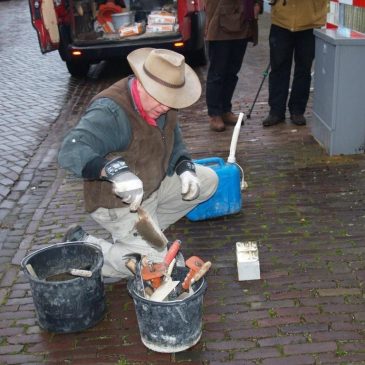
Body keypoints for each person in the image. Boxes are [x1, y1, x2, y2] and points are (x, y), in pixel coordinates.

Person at [58, 48, 218, 280]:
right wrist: (115, 172)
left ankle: (141, 239)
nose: (165, 107)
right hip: (117, 204)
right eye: (161, 98)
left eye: (170, 100)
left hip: (153, 188)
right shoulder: (110, 111)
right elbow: (70, 150)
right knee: (158, 267)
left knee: (209, 180)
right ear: (141, 83)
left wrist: (185, 167)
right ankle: (82, 247)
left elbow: (175, 141)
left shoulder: (165, 104)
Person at [262, 0, 328, 127]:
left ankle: (297, 110)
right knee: (278, 68)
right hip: (281, 21)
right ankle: (276, 111)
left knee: (304, 68)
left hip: (310, 21)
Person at [204, 0, 263, 132]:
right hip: (220, 24)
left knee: (232, 73)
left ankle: (225, 110)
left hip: (242, 23)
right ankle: (214, 114)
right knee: (217, 73)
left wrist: (258, 4)